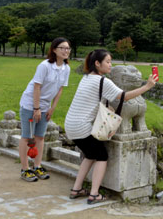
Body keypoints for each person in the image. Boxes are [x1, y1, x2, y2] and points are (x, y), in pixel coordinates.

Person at [65, 49, 156, 204]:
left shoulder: (86, 78)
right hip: (82, 127)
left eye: (110, 61)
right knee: (101, 156)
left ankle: (76, 188)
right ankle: (94, 194)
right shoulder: (103, 81)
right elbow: (125, 97)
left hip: (70, 125)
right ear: (97, 63)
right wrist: (147, 86)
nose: (110, 65)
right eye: (107, 62)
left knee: (90, 155)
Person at [18, 37, 71, 182]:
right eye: (63, 48)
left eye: (68, 48)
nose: (66, 51)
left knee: (40, 137)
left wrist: (52, 108)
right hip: (30, 104)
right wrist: (36, 108)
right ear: (54, 49)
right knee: (27, 137)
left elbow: (60, 90)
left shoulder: (66, 68)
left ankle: (37, 166)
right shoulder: (45, 66)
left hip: (45, 107)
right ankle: (25, 169)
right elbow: (37, 87)